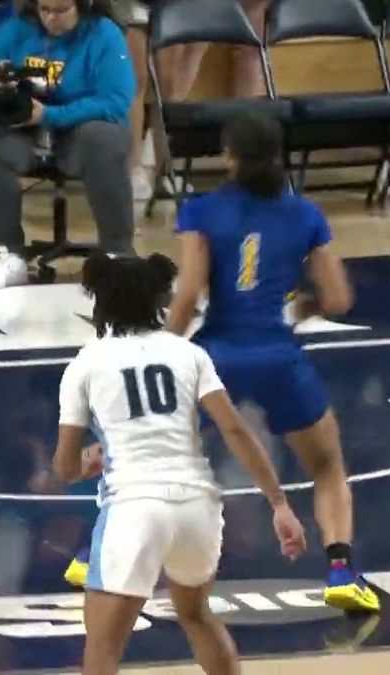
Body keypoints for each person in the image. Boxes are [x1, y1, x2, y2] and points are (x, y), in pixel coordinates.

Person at [164, 110, 380, 613]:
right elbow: (339, 298)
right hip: (279, 356)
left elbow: (190, 293)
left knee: (157, 457)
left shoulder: (201, 210)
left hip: (216, 354)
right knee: (328, 467)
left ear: (229, 156)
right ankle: (342, 569)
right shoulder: (305, 214)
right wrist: (301, 307)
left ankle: (96, 555)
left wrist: (162, 347)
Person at [53, 251, 307, 675]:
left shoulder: (86, 364)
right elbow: (237, 431)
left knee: (103, 647)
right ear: (157, 300)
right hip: (197, 506)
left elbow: (63, 469)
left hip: (134, 507)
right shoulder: (187, 353)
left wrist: (88, 462)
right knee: (196, 614)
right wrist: (279, 503)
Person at [0, 0, 137, 290]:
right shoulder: (17, 28)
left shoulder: (103, 33)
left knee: (104, 140)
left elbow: (116, 99)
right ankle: (7, 251)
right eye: (45, 10)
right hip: (24, 127)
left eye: (61, 11)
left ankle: (118, 254)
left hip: (80, 126)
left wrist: (52, 115)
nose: (51, 19)